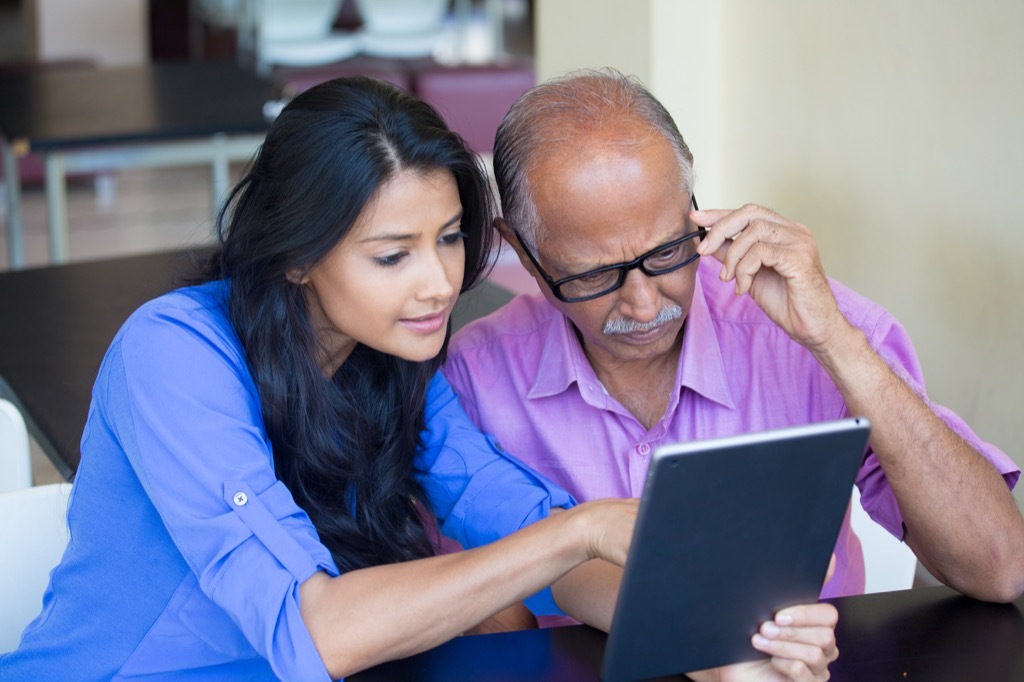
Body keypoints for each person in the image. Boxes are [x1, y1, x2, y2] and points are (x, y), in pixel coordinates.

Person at [0, 77, 838, 681]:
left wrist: (722, 639)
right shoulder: (174, 353)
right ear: (295, 254)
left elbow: (529, 533)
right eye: (393, 255)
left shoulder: (396, 362)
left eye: (447, 238)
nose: (440, 282)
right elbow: (312, 631)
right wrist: (577, 530)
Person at [443, 68, 1024, 623]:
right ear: (522, 253)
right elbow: (478, 610)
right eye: (594, 276)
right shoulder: (474, 377)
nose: (646, 306)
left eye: (669, 251)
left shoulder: (811, 326)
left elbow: (999, 569)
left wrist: (837, 346)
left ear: (695, 206)